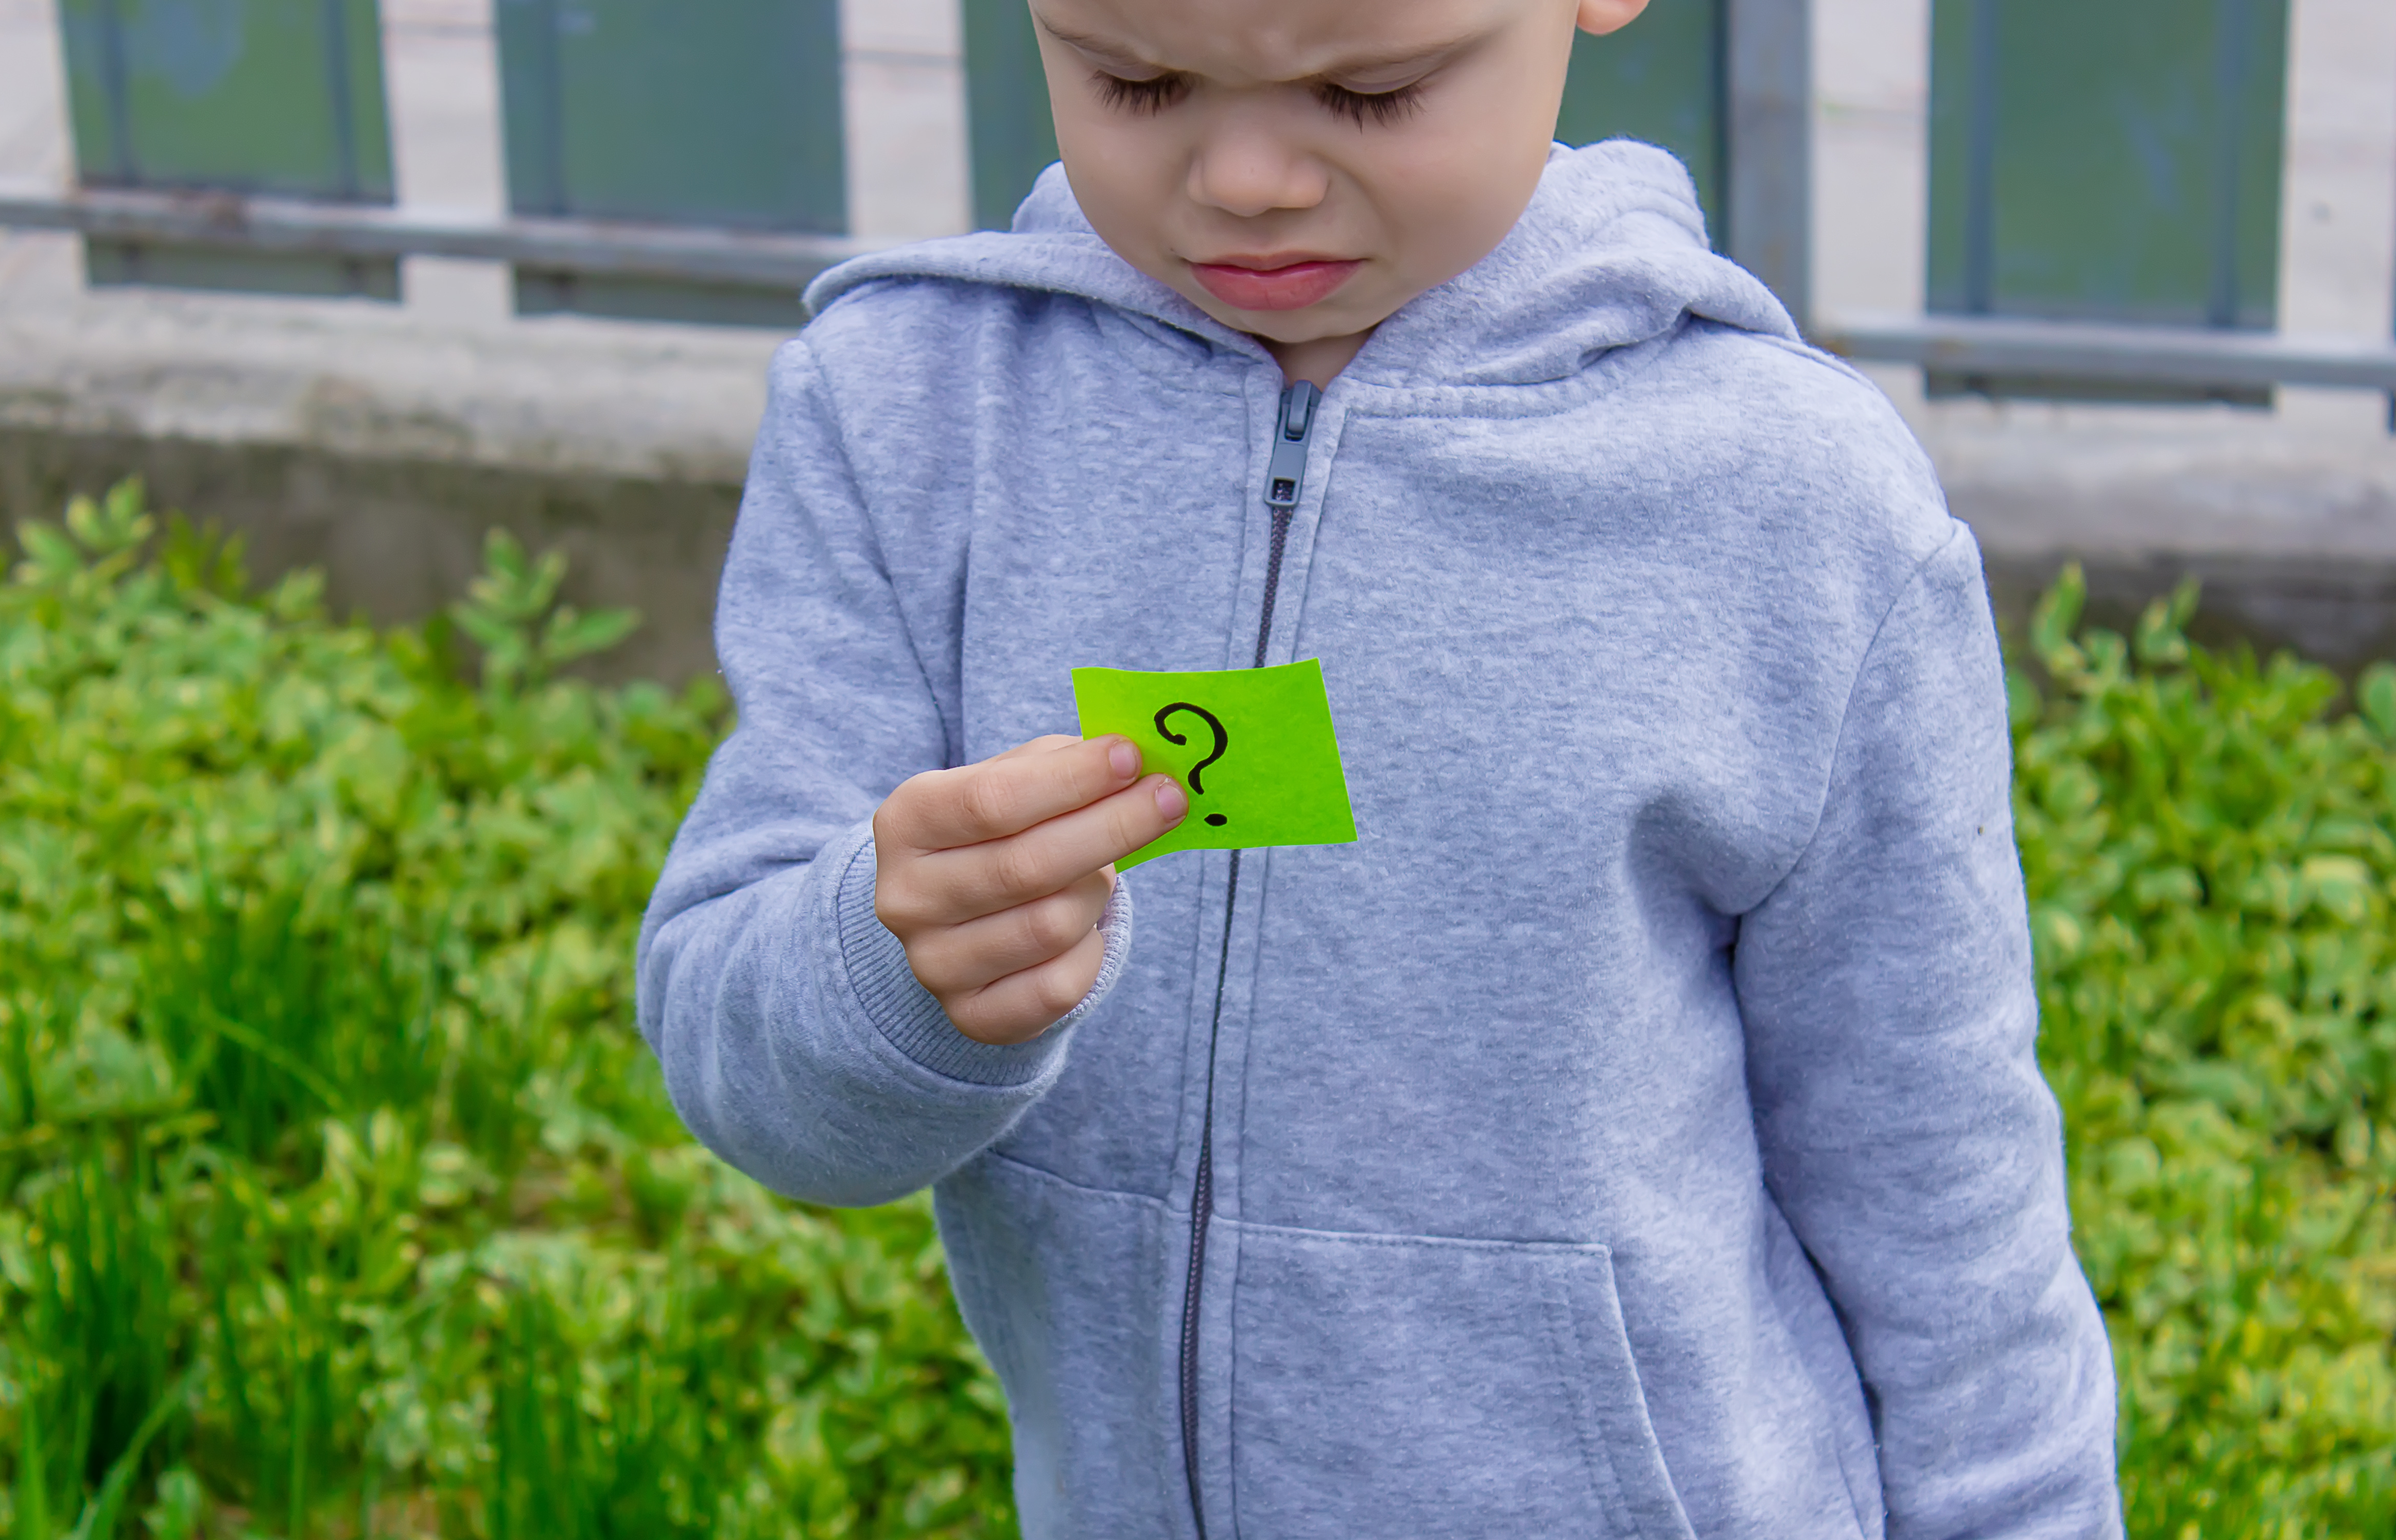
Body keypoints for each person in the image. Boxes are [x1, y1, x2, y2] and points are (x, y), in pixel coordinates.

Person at [636, 0, 2123, 1533]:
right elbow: (740, 1044)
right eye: (1137, 81)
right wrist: (893, 978)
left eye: (1372, 91)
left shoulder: (1787, 507)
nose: (1251, 177)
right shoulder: (910, 417)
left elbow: (1942, 1189)